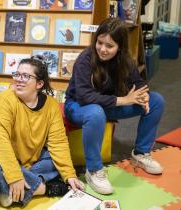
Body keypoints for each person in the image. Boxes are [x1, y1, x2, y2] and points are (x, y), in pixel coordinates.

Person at [64, 18, 164, 195]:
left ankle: (141, 154)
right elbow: (85, 97)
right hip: (79, 106)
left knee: (156, 101)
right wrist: (124, 100)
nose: (102, 49)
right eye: (99, 42)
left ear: (120, 47)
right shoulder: (84, 60)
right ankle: (94, 169)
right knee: (95, 112)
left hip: (107, 105)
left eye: (109, 46)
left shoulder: (126, 60)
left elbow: (139, 82)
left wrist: (144, 96)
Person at [0, 56, 85, 207]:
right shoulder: (3, 100)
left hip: (28, 161)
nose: (19, 79)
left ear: (39, 83)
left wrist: (69, 174)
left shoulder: (51, 106)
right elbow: (1, 142)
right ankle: (46, 188)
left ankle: (11, 192)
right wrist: (15, 176)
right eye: (17, 75)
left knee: (54, 160)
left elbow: (58, 143)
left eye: (26, 76)